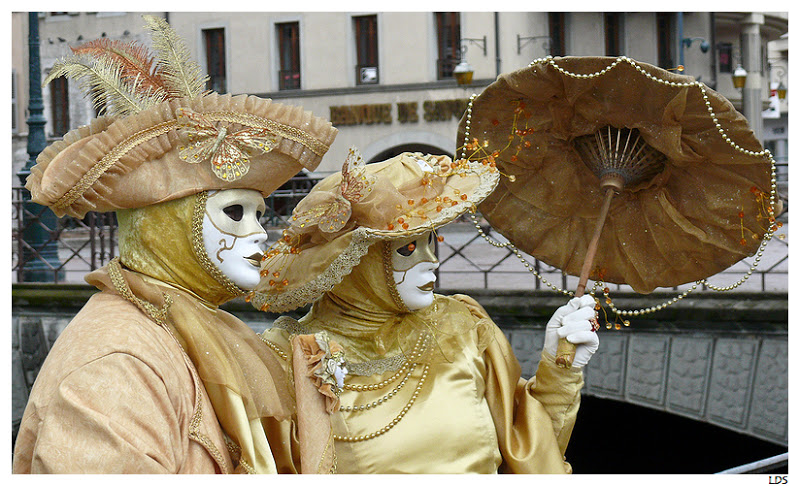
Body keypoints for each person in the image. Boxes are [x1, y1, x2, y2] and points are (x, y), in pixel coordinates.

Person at [13, 16, 337, 474]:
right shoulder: (115, 367)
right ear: (167, 226)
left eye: (259, 214)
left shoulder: (202, 327)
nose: (260, 232)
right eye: (234, 212)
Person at [248, 148, 600, 473]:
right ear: (354, 262)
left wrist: (560, 366)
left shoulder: (461, 326)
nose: (431, 260)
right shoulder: (284, 359)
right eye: (407, 249)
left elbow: (532, 455)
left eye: (431, 241)